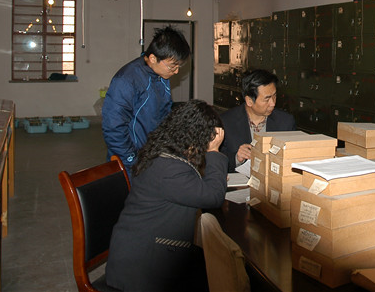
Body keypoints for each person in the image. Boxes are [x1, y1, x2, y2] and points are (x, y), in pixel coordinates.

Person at [105, 100, 228, 292]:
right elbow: (214, 197)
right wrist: (214, 152)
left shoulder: (163, 152)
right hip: (142, 267)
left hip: (143, 248)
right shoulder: (169, 169)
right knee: (218, 270)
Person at [102, 25, 190, 177]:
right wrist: (131, 159)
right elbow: (113, 127)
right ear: (153, 58)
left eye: (179, 66)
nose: (176, 71)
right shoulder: (126, 80)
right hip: (130, 161)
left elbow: (164, 115)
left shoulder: (161, 76)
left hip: (151, 156)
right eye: (172, 66)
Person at [220, 69, 296, 172]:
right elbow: (214, 161)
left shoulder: (285, 122)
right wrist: (236, 158)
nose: (273, 103)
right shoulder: (225, 122)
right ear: (249, 101)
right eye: (267, 99)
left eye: (274, 96)